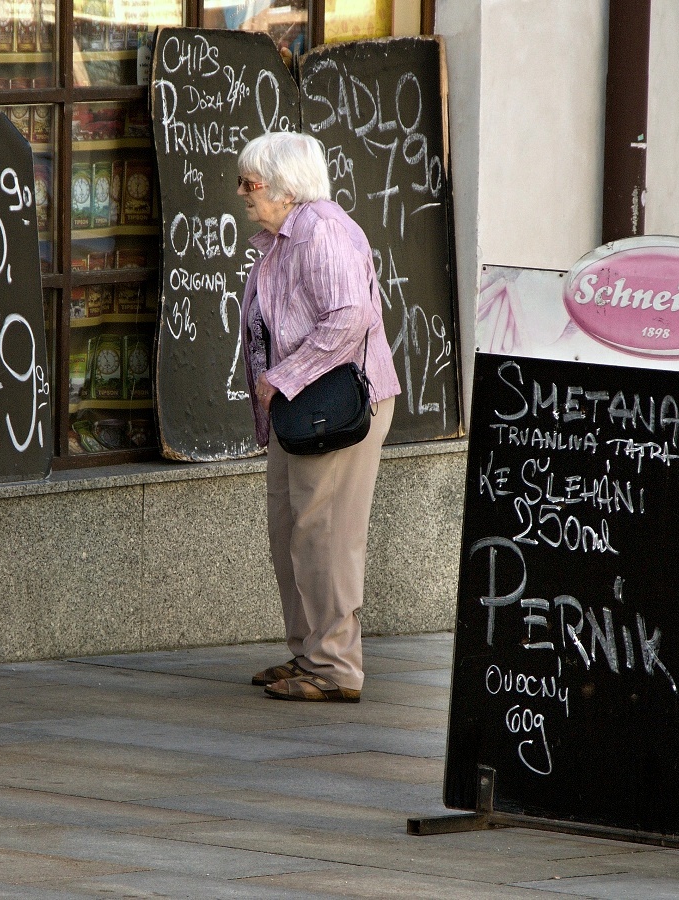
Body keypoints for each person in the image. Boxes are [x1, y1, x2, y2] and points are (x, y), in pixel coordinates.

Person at [237, 131, 401, 703]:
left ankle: (335, 666)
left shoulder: (322, 230)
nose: (242, 194)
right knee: (291, 529)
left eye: (251, 184)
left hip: (335, 406)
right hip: (301, 408)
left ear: (286, 189)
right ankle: (310, 651)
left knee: (325, 534)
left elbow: (347, 318)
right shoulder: (283, 237)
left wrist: (281, 378)